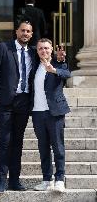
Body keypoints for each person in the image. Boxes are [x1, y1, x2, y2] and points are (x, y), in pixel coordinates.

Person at [0, 21, 36, 193]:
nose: (25, 33)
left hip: (24, 103)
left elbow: (47, 63)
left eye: (28, 31)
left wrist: (61, 60)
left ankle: (15, 180)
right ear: (16, 32)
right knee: (5, 141)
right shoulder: (3, 48)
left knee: (18, 143)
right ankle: (1, 181)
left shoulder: (34, 52)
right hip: (5, 103)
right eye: (22, 30)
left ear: (31, 34)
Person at [31, 38, 71, 192]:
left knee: (58, 147)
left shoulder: (58, 62)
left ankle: (60, 179)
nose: (44, 51)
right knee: (43, 148)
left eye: (47, 48)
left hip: (55, 112)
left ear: (52, 50)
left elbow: (66, 74)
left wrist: (53, 69)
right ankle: (46, 179)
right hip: (37, 112)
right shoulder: (34, 66)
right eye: (41, 48)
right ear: (37, 51)